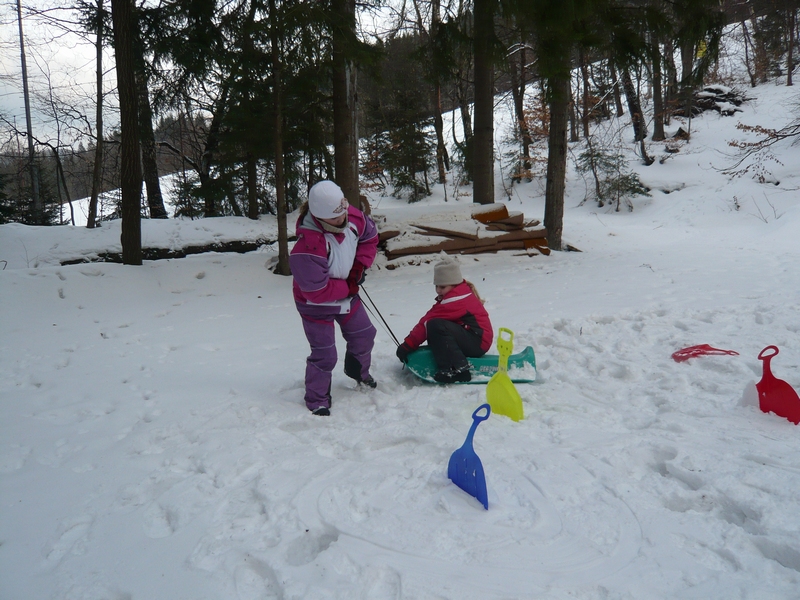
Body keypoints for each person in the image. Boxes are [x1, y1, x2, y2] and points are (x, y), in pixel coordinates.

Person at [289, 180, 379, 416]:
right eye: (335, 218)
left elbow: (370, 237)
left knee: (365, 335)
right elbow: (316, 292)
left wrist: (359, 266)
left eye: (343, 212)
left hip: (346, 297)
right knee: (325, 354)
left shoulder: (351, 217)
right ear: (319, 217)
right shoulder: (305, 248)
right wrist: (349, 285)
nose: (343, 219)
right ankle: (317, 398)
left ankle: (358, 371)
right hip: (314, 306)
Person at [395, 257, 493, 383]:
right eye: (436, 286)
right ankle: (448, 360)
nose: (438, 290)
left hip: (478, 341)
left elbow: (426, 323)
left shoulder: (456, 299)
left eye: (442, 286)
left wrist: (407, 346)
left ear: (454, 284)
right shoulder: (458, 293)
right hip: (474, 338)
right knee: (435, 326)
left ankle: (458, 370)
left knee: (436, 325)